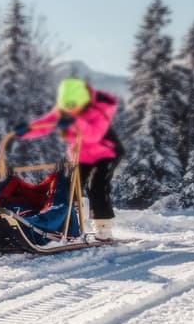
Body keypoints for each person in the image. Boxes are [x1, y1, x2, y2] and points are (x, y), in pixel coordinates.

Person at [13, 78, 122, 240]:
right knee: (67, 188)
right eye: (68, 108)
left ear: (84, 102)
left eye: (74, 107)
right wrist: (27, 130)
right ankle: (68, 225)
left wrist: (76, 122)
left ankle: (103, 228)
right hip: (82, 156)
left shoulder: (100, 109)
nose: (71, 111)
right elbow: (46, 124)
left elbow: (94, 135)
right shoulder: (64, 111)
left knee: (96, 186)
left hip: (106, 154)